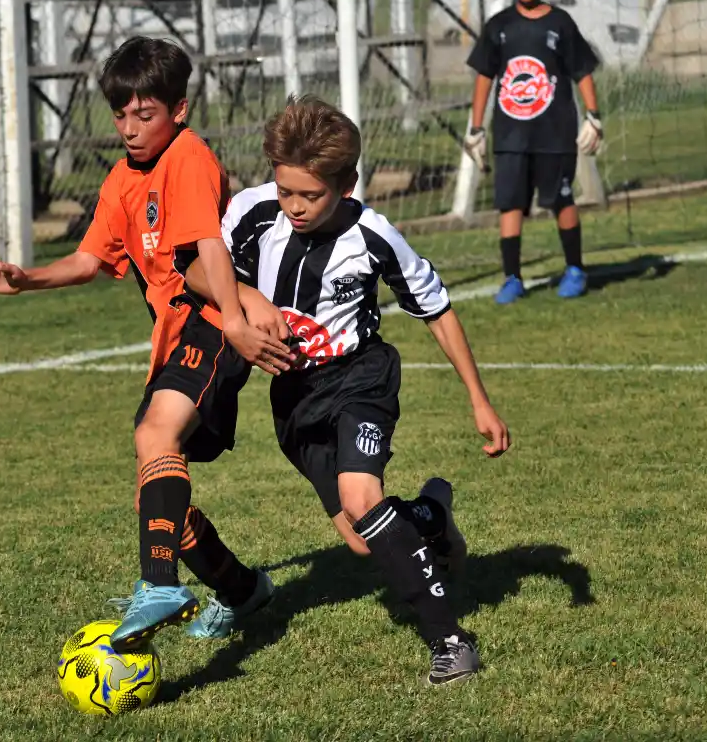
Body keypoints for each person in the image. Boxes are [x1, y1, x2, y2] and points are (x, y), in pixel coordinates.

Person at [0, 37, 293, 650]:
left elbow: (209, 249)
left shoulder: (188, 157)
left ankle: (159, 586)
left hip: (210, 321)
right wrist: (27, 279)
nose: (131, 128)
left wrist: (238, 322)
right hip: (176, 336)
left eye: (146, 115)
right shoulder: (120, 180)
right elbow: (91, 260)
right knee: (161, 494)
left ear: (180, 111)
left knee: (153, 438)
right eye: (120, 115)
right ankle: (244, 590)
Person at [184, 95, 511, 685]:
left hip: (361, 379)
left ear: (347, 183)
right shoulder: (252, 213)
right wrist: (251, 299)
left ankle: (451, 641)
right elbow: (195, 269)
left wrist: (478, 399)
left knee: (362, 499)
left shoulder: (373, 236)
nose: (295, 207)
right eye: (286, 192)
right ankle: (431, 512)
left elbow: (437, 310)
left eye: (310, 195)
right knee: (364, 542)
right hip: (294, 398)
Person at [462, 0, 604, 304]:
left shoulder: (560, 23)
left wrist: (594, 115)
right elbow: (484, 77)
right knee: (510, 205)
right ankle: (512, 278)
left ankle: (575, 269)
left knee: (562, 201)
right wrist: (476, 129)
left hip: (554, 135)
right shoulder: (499, 26)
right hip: (510, 136)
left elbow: (582, 71)